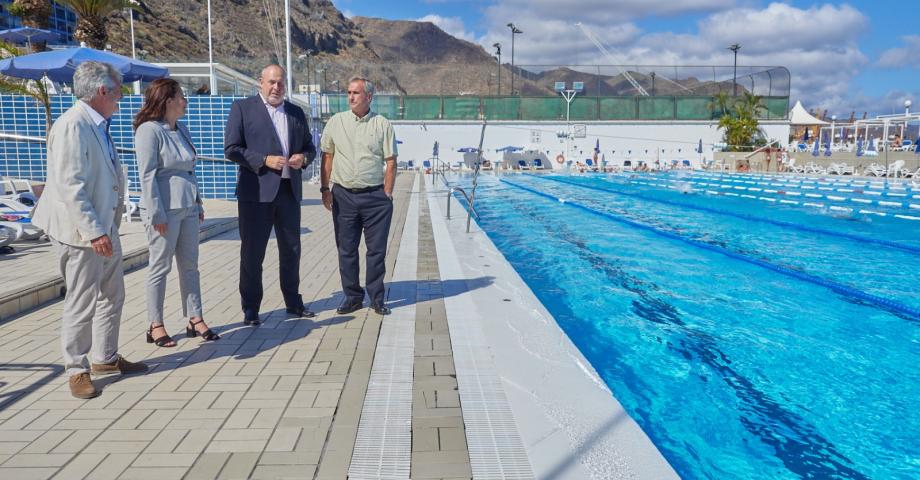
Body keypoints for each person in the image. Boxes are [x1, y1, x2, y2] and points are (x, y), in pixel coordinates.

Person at [31, 61, 148, 399]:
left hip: (104, 227)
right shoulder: (72, 125)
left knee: (113, 294)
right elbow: (71, 186)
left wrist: (106, 228)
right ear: (102, 91)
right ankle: (77, 369)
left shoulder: (98, 123)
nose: (121, 97)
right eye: (118, 91)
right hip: (82, 233)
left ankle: (106, 359)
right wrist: (95, 231)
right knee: (82, 301)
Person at [224, 64, 316, 325]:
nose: (276, 87)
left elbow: (310, 147)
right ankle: (251, 308)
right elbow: (231, 149)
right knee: (253, 254)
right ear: (260, 83)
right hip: (256, 195)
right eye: (272, 82)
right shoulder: (242, 109)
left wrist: (303, 157)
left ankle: (293, 302)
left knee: (291, 251)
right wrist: (264, 160)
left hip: (289, 193)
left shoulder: (296, 112)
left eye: (281, 83)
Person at [134, 78, 218, 347]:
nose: (186, 100)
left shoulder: (181, 129)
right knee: (160, 267)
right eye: (181, 96)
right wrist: (156, 213)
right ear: (168, 100)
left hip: (188, 207)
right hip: (164, 212)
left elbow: (190, 171)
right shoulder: (149, 130)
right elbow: (146, 175)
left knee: (190, 265)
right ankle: (155, 324)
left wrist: (198, 202)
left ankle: (195, 317)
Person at [320, 76, 397, 316]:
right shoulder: (335, 122)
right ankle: (352, 297)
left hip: (375, 198)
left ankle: (376, 298)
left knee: (376, 251)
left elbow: (391, 161)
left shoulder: (382, 124)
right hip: (344, 196)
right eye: (349, 92)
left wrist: (387, 193)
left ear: (369, 97)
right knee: (347, 249)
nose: (350, 97)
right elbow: (327, 157)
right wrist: (325, 189)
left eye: (356, 93)